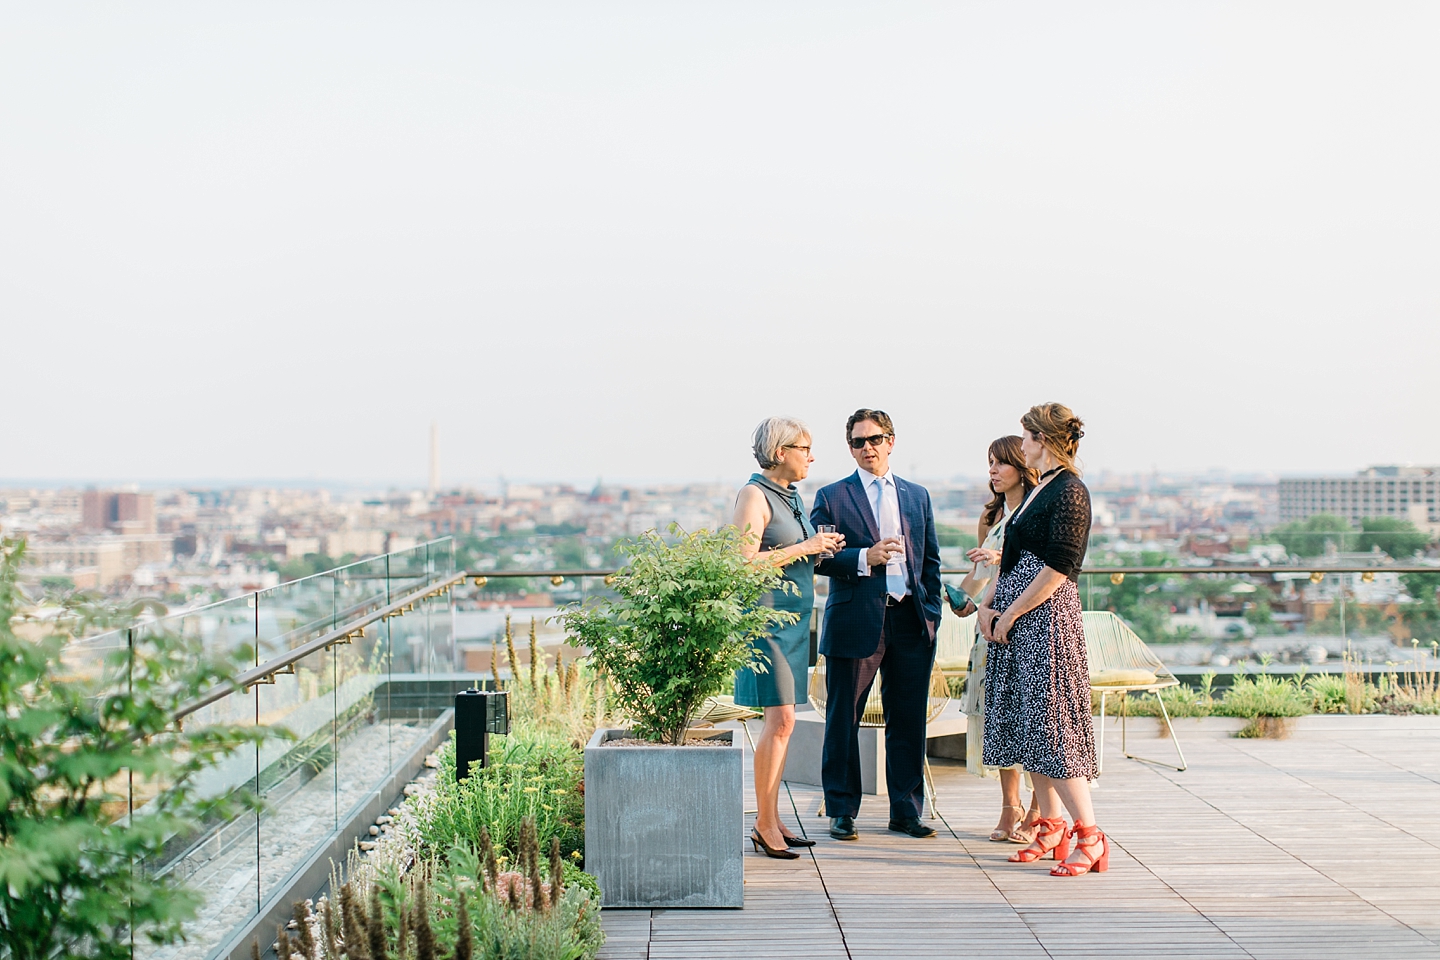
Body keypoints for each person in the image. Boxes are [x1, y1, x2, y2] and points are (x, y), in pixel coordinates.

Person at [976, 403, 1107, 876]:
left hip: (1044, 621)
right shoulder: (1042, 489)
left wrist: (1010, 612)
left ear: (1045, 440)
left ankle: (1089, 835)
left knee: (1053, 726)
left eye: (1027, 436)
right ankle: (1051, 824)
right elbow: (1012, 559)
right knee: (1026, 726)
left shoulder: (1071, 491)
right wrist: (988, 608)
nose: (1022, 444)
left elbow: (1060, 567)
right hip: (1016, 620)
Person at [811, 409, 943, 841]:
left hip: (910, 618)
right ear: (850, 448)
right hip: (856, 620)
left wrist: (931, 615)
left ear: (891, 441)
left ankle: (906, 811)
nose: (867, 447)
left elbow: (931, 560)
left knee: (908, 720)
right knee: (843, 717)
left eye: (874, 439)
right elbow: (821, 557)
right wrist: (864, 558)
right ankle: (842, 810)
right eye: (857, 442)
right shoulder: (832, 496)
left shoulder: (917, 495)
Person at [732, 416, 846, 860]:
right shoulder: (753, 495)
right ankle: (763, 823)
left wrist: (820, 550)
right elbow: (742, 563)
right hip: (766, 624)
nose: (811, 457)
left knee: (785, 723)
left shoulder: (794, 498)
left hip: (794, 622)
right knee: (779, 723)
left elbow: (791, 557)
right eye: (805, 448)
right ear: (781, 452)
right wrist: (807, 548)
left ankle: (773, 818)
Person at [945, 436, 1041, 843]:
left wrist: (1003, 560)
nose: (994, 471)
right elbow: (978, 577)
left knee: (1034, 718)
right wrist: (961, 598)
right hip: (991, 625)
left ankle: (1040, 811)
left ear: (1022, 464)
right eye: (990, 464)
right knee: (998, 718)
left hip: (1032, 623)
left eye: (1001, 463)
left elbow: (1045, 566)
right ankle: (1009, 805)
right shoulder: (992, 516)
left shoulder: (1040, 509)